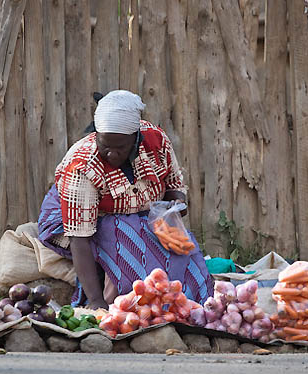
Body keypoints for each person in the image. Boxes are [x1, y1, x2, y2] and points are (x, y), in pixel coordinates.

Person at [37, 90, 213, 309]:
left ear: (136, 138)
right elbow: (79, 238)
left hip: (139, 216)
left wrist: (173, 208)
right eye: (105, 146)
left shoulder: (155, 141)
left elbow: (173, 185)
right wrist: (96, 302)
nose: (112, 154)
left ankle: (192, 303)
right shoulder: (82, 166)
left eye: (120, 147)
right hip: (78, 222)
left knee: (183, 253)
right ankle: (126, 303)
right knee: (126, 239)